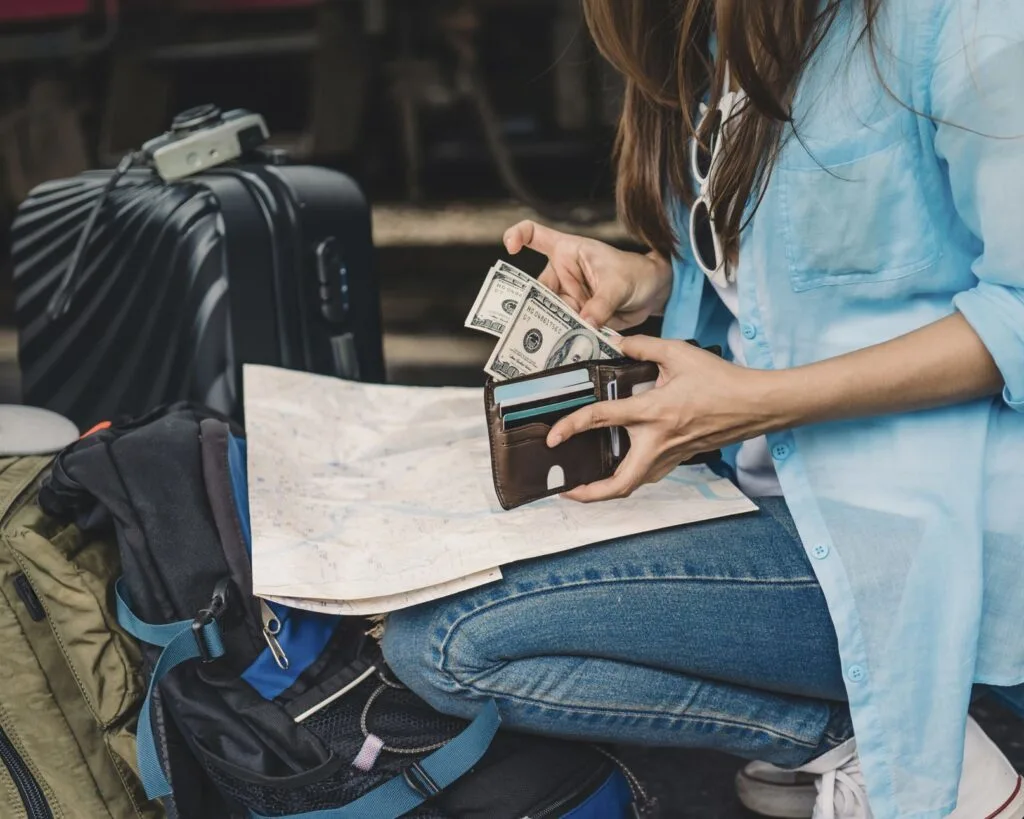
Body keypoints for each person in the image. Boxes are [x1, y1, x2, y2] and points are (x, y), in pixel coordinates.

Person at [382, 0, 1024, 816]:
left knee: (448, 642)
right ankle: (864, 738)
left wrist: (757, 403)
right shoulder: (724, 32)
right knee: (425, 622)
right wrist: (649, 278)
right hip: (768, 493)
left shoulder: (966, 21)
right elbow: (780, 275)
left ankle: (931, 767)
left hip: (919, 537)